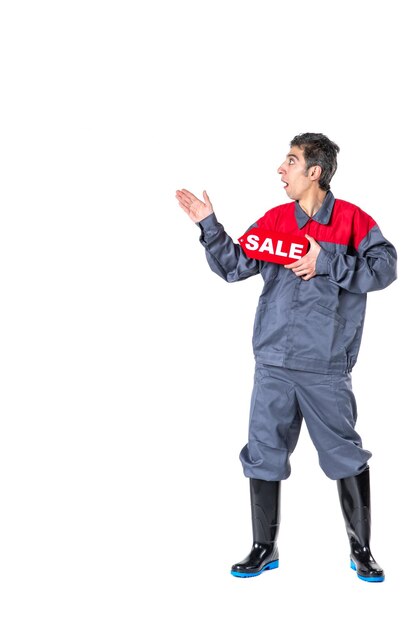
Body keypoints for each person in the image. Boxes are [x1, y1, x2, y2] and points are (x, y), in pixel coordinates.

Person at [175, 132, 397, 582]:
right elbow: (236, 266)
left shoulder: (353, 221)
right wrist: (209, 226)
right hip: (273, 363)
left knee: (344, 455)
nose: (281, 169)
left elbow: (384, 269)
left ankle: (362, 550)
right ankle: (263, 547)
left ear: (314, 172)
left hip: (326, 367)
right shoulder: (277, 221)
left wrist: (328, 261)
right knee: (263, 453)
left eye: (291, 162)